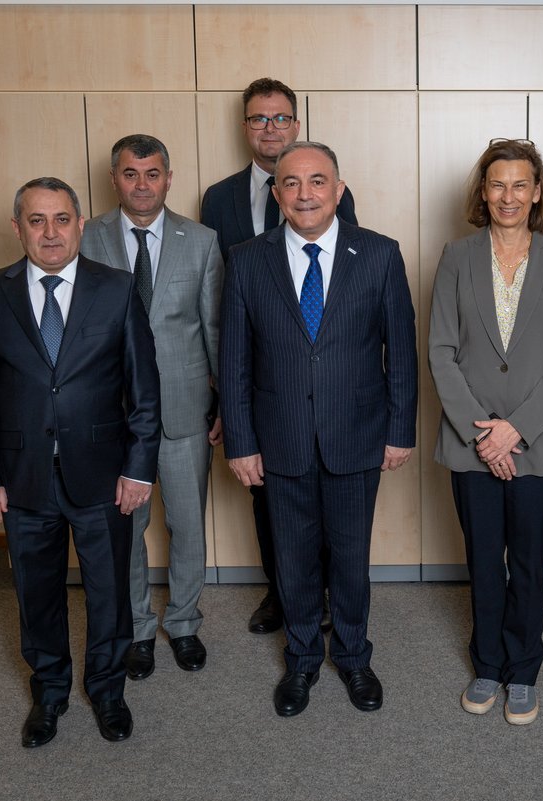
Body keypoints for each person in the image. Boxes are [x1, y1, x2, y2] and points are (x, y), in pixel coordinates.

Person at [0, 177, 160, 747]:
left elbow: (145, 391)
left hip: (104, 474)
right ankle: (48, 694)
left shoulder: (116, 289)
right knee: (37, 594)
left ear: (79, 224)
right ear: (17, 227)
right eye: (37, 220)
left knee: (109, 593)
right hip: (20, 480)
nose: (50, 232)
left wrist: (139, 468)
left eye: (62, 219)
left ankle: (108, 691)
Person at [219, 141, 416, 718]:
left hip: (356, 434)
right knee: (294, 558)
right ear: (276, 192)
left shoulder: (379, 254)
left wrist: (399, 429)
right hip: (278, 439)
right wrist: (241, 441)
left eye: (317, 182)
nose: (304, 194)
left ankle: (354, 656)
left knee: (351, 557)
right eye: (291, 184)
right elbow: (234, 360)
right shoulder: (247, 259)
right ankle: (303, 659)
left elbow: (399, 351)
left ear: (338, 188)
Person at [429, 139, 543, 725]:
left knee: (529, 564)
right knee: (483, 563)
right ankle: (487, 664)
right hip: (471, 446)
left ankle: (524, 670)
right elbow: (441, 352)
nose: (509, 196)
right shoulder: (457, 256)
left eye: (521, 185)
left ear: (538, 192)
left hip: (535, 444)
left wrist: (513, 431)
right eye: (498, 185)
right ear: (483, 193)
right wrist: (483, 437)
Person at [201, 77, 356, 634]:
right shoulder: (218, 199)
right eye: (259, 119)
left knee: (332, 508)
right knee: (269, 504)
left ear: (296, 121)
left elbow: (346, 291)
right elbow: (218, 303)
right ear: (245, 128)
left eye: (280, 118)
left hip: (323, 382)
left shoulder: (329, 188)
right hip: (259, 384)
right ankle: (283, 592)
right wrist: (227, 399)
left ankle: (333, 600)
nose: (270, 128)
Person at [80, 134, 223, 681]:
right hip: (113, 416)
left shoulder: (203, 241)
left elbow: (214, 330)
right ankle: (138, 628)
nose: (143, 184)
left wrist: (225, 407)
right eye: (131, 173)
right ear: (114, 178)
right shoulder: (86, 237)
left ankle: (184, 623)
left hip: (186, 410)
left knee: (187, 526)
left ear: (169, 177)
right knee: (128, 528)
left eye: (153, 173)